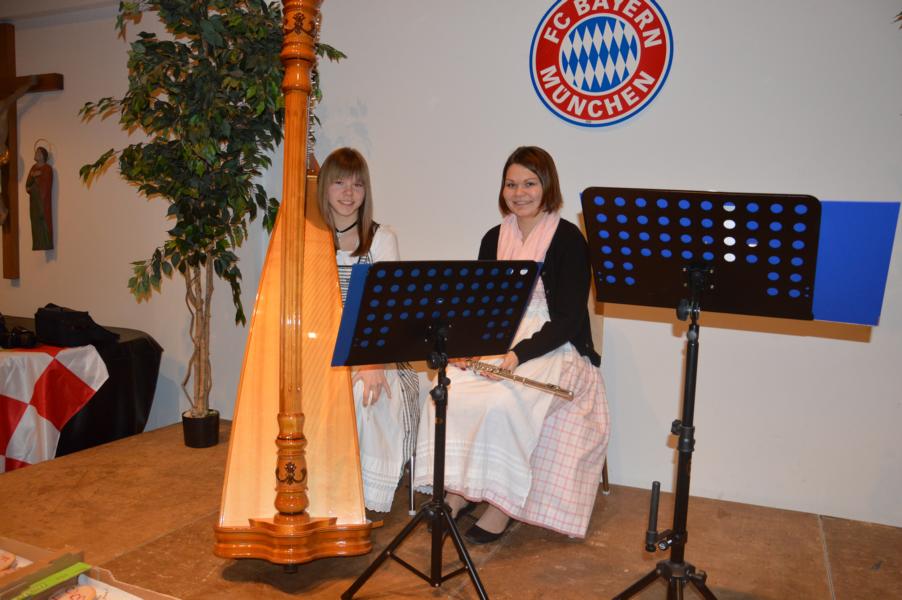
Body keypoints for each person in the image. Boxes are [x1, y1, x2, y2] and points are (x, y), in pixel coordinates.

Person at [413, 146, 610, 543]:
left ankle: (503, 507)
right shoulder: (493, 238)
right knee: (447, 389)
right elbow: (480, 307)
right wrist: (468, 345)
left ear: (547, 186)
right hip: (499, 340)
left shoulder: (569, 239)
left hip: (553, 346)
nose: (519, 193)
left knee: (504, 400)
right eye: (511, 184)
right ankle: (457, 492)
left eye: (529, 184)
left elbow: (569, 319)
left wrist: (517, 355)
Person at [317, 147, 421, 512]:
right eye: (339, 183)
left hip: (376, 350)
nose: (349, 193)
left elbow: (389, 313)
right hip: (322, 350)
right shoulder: (309, 239)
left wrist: (372, 361)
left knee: (363, 394)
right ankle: (317, 487)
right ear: (324, 188)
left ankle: (354, 496)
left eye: (358, 185)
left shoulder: (381, 239)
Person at [0, 76, 37, 226]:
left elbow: (16, 96)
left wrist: (29, 84)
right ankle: (2, 210)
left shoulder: (2, 106)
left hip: (2, 152)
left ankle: (2, 210)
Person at [27, 146, 53, 250]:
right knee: (35, 222)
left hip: (42, 200)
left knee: (43, 221)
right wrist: (33, 177)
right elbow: (27, 185)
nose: (36, 154)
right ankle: (37, 243)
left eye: (38, 152)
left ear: (43, 156)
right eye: (36, 152)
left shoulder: (47, 168)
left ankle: (46, 242)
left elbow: (46, 185)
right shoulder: (33, 168)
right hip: (34, 200)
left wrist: (39, 176)